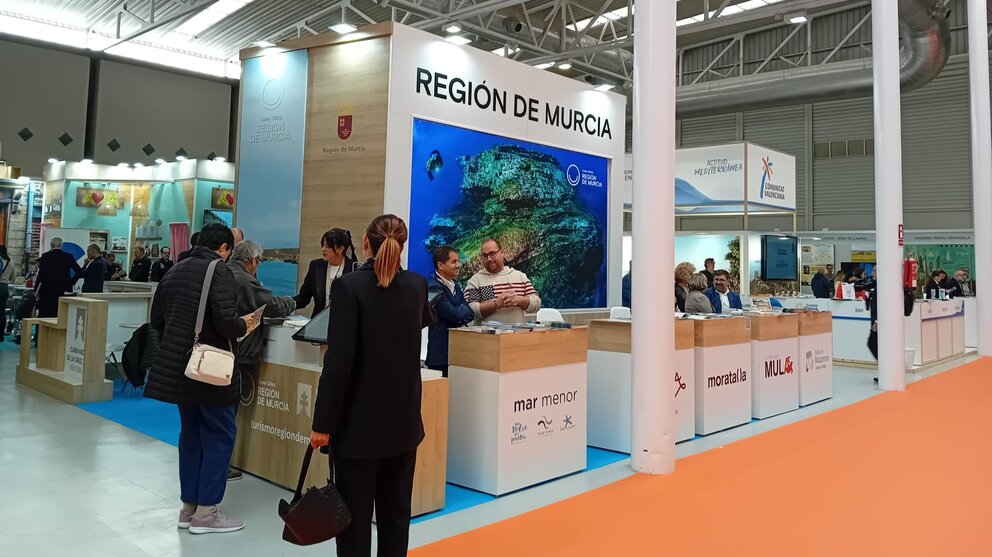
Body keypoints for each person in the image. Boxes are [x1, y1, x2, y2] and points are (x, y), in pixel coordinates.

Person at [309, 214, 433, 557]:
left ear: (365, 243)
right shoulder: (418, 285)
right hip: (404, 423)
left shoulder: (349, 288)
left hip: (357, 429)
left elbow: (339, 363)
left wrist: (322, 424)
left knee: (353, 523)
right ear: (402, 244)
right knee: (396, 518)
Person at [144, 224, 254, 535]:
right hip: (211, 370)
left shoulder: (175, 270)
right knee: (219, 436)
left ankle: (188, 508)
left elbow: (158, 320)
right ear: (223, 248)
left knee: (190, 436)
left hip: (181, 369)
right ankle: (207, 513)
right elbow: (226, 322)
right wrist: (245, 325)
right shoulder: (218, 271)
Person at [228, 240, 297, 481]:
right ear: (252, 261)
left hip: (225, 350)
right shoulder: (245, 280)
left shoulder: (226, 272)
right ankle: (223, 464)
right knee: (228, 411)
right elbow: (272, 306)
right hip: (239, 352)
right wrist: (293, 302)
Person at [464, 239, 541, 324]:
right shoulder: (476, 280)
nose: (489, 259)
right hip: (488, 335)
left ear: (502, 252)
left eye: (492, 254)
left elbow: (537, 304)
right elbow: (469, 310)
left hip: (516, 335)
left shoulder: (520, 276)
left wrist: (518, 300)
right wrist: (495, 304)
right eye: (485, 256)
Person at [426, 245, 474, 376]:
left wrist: (461, 311)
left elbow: (471, 313)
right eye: (454, 262)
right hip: (440, 357)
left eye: (457, 261)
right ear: (441, 265)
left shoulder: (455, 286)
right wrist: (462, 309)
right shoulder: (433, 288)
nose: (458, 265)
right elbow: (454, 315)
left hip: (456, 354)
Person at [294, 228, 357, 317]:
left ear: (340, 249)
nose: (323, 249)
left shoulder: (354, 269)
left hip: (344, 324)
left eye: (328, 246)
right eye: (322, 245)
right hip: (318, 323)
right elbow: (303, 298)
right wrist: (285, 304)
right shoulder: (315, 266)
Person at [35, 237, 82, 318]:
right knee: (62, 314)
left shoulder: (45, 256)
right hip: (63, 290)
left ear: (51, 245)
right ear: (61, 245)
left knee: (46, 315)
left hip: (47, 291)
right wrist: (71, 282)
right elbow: (79, 272)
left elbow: (41, 275)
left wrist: (36, 289)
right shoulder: (68, 257)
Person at [0, 246, 11, 340]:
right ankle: (1, 334)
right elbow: (14, 277)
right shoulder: (9, 262)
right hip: (5, 288)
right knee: (2, 311)